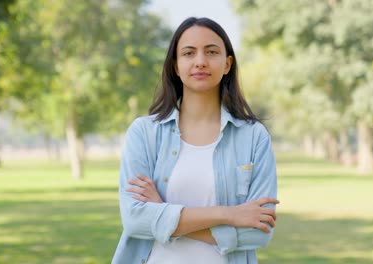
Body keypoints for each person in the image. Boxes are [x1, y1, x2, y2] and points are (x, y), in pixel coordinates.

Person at [111, 17, 278, 264]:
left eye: (211, 52)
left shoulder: (254, 137)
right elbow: (135, 220)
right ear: (176, 66)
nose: (200, 61)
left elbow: (258, 232)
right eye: (189, 53)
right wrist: (229, 214)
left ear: (227, 64)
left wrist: (164, 215)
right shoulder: (144, 133)